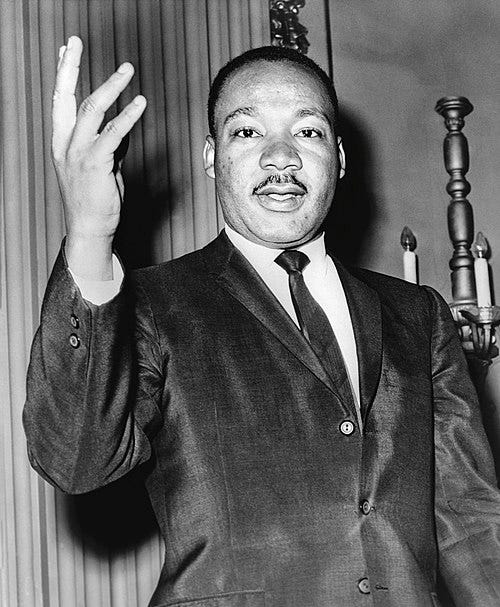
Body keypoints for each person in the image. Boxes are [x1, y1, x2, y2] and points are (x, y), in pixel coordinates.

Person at [24, 35, 500, 607]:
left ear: (340, 158)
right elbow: (76, 460)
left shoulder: (418, 313)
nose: (281, 157)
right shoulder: (152, 304)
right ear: (211, 156)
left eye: (308, 131)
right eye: (248, 132)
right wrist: (88, 233)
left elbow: (470, 521)